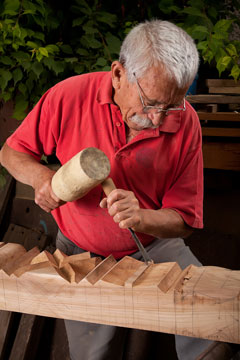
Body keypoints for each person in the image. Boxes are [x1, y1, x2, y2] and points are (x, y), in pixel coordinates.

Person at [0, 19, 236, 360]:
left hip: (154, 244)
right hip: (81, 250)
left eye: (170, 106)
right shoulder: (69, 96)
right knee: (92, 354)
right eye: (150, 103)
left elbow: (184, 220)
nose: (157, 119)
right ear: (118, 74)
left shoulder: (186, 123)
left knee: (212, 327)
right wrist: (41, 179)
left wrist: (142, 217)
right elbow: (11, 152)